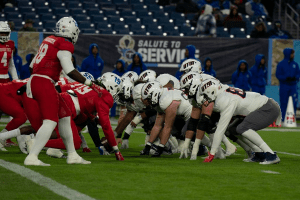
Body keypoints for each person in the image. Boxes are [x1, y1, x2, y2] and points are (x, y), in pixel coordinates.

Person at [23, 16, 105, 166]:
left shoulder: (49, 40)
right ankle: (32, 156)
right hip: (44, 82)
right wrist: (89, 83)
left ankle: (72, 155)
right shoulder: (64, 44)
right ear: (73, 31)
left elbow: (31, 66)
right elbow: (69, 70)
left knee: (65, 115)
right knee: (50, 121)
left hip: (36, 79)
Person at [197, 78, 281, 164]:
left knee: (242, 128)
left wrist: (212, 153)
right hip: (264, 106)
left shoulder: (224, 101)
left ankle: (271, 154)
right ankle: (259, 153)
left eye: (205, 95)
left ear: (212, 92)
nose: (205, 99)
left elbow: (220, 130)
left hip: (267, 108)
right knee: (232, 130)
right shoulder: (221, 91)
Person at [276, 48, 300, 121]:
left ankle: (292, 119)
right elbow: (278, 75)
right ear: (288, 54)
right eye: (291, 54)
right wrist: (286, 78)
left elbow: (298, 73)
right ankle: (283, 119)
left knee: (294, 103)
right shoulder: (281, 64)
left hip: (293, 86)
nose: (293, 55)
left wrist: (295, 78)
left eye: (293, 54)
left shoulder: (295, 64)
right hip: (284, 86)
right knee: (284, 102)